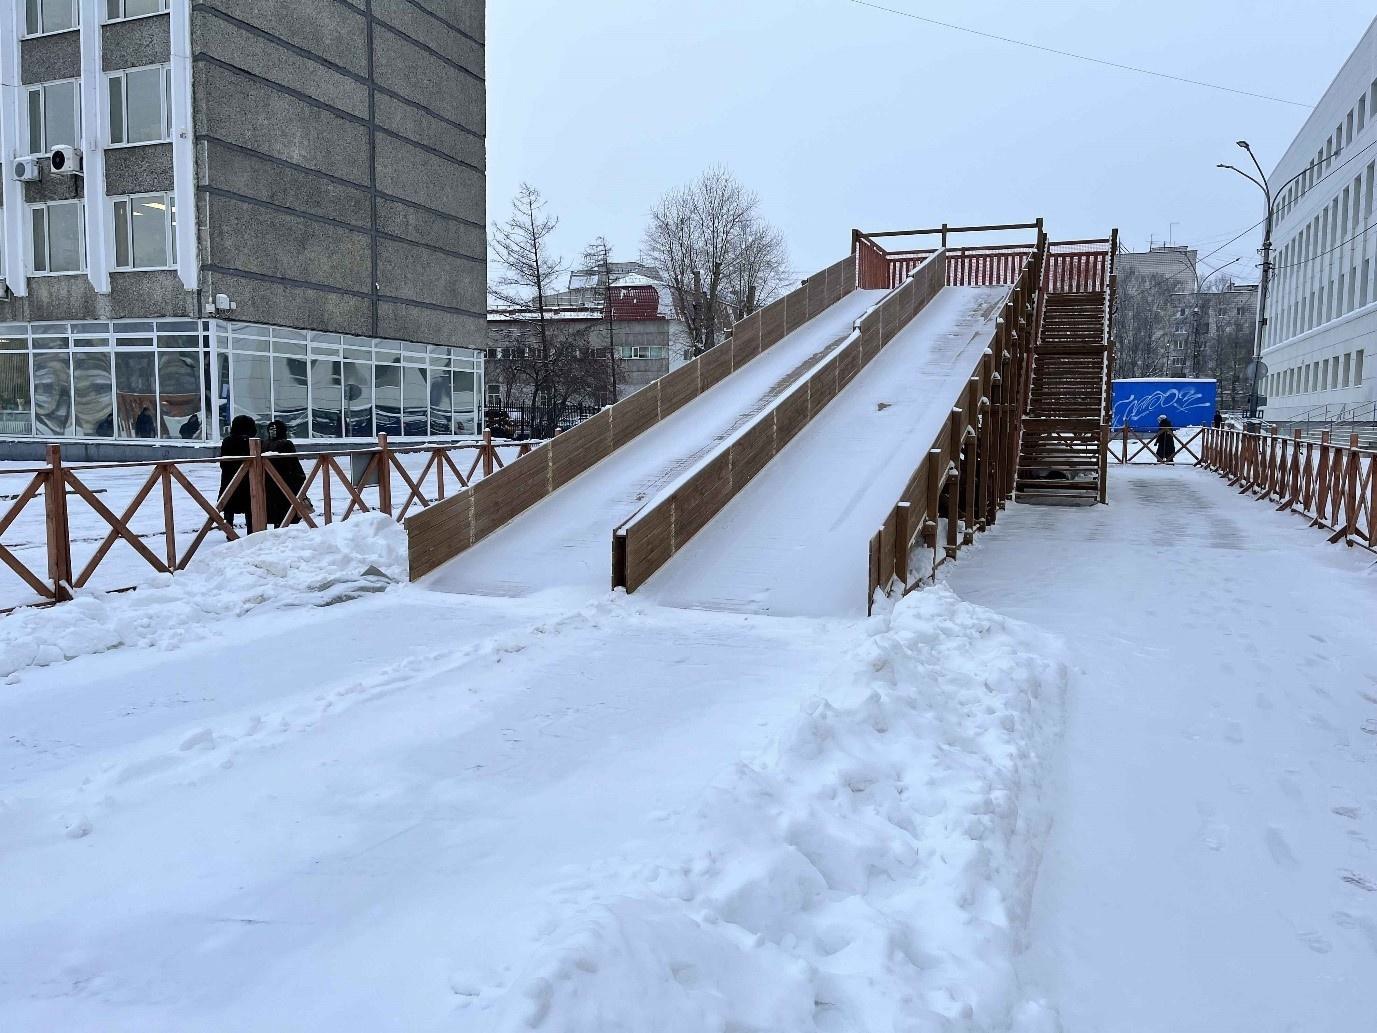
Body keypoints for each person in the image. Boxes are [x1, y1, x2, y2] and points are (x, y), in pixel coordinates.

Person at [264, 419, 307, 528]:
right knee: (285, 512)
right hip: (286, 482)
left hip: (267, 484)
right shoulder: (286, 444)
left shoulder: (264, 444)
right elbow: (293, 464)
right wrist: (300, 478)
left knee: (274, 512)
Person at [219, 415, 258, 534]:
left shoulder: (228, 441)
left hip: (229, 478)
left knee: (229, 505)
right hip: (248, 479)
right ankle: (251, 531)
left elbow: (223, 462)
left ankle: (229, 531)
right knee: (250, 506)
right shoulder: (252, 442)